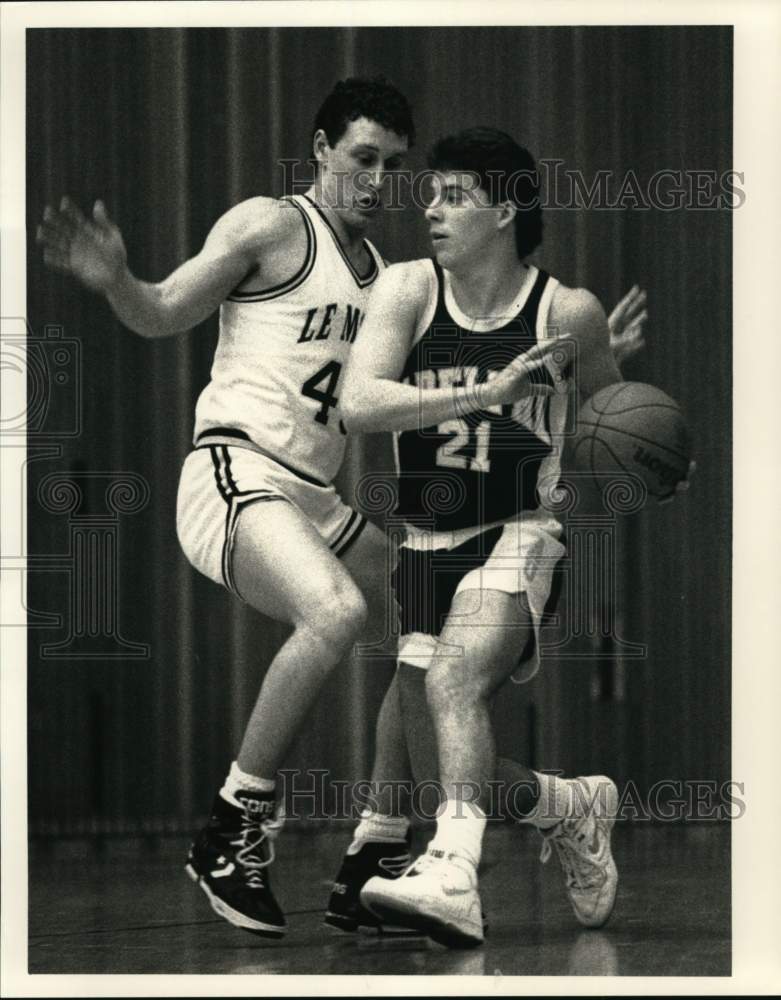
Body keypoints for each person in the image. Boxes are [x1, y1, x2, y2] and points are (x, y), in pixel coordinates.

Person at [332, 127, 649, 949]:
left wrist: (626, 418)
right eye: (429, 194)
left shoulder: (564, 310)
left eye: (453, 195)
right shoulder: (406, 290)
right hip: (424, 548)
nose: (429, 209)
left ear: (505, 210)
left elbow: (613, 424)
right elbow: (358, 405)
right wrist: (488, 390)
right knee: (444, 777)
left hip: (518, 531)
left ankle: (454, 880)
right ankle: (569, 807)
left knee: (454, 681)